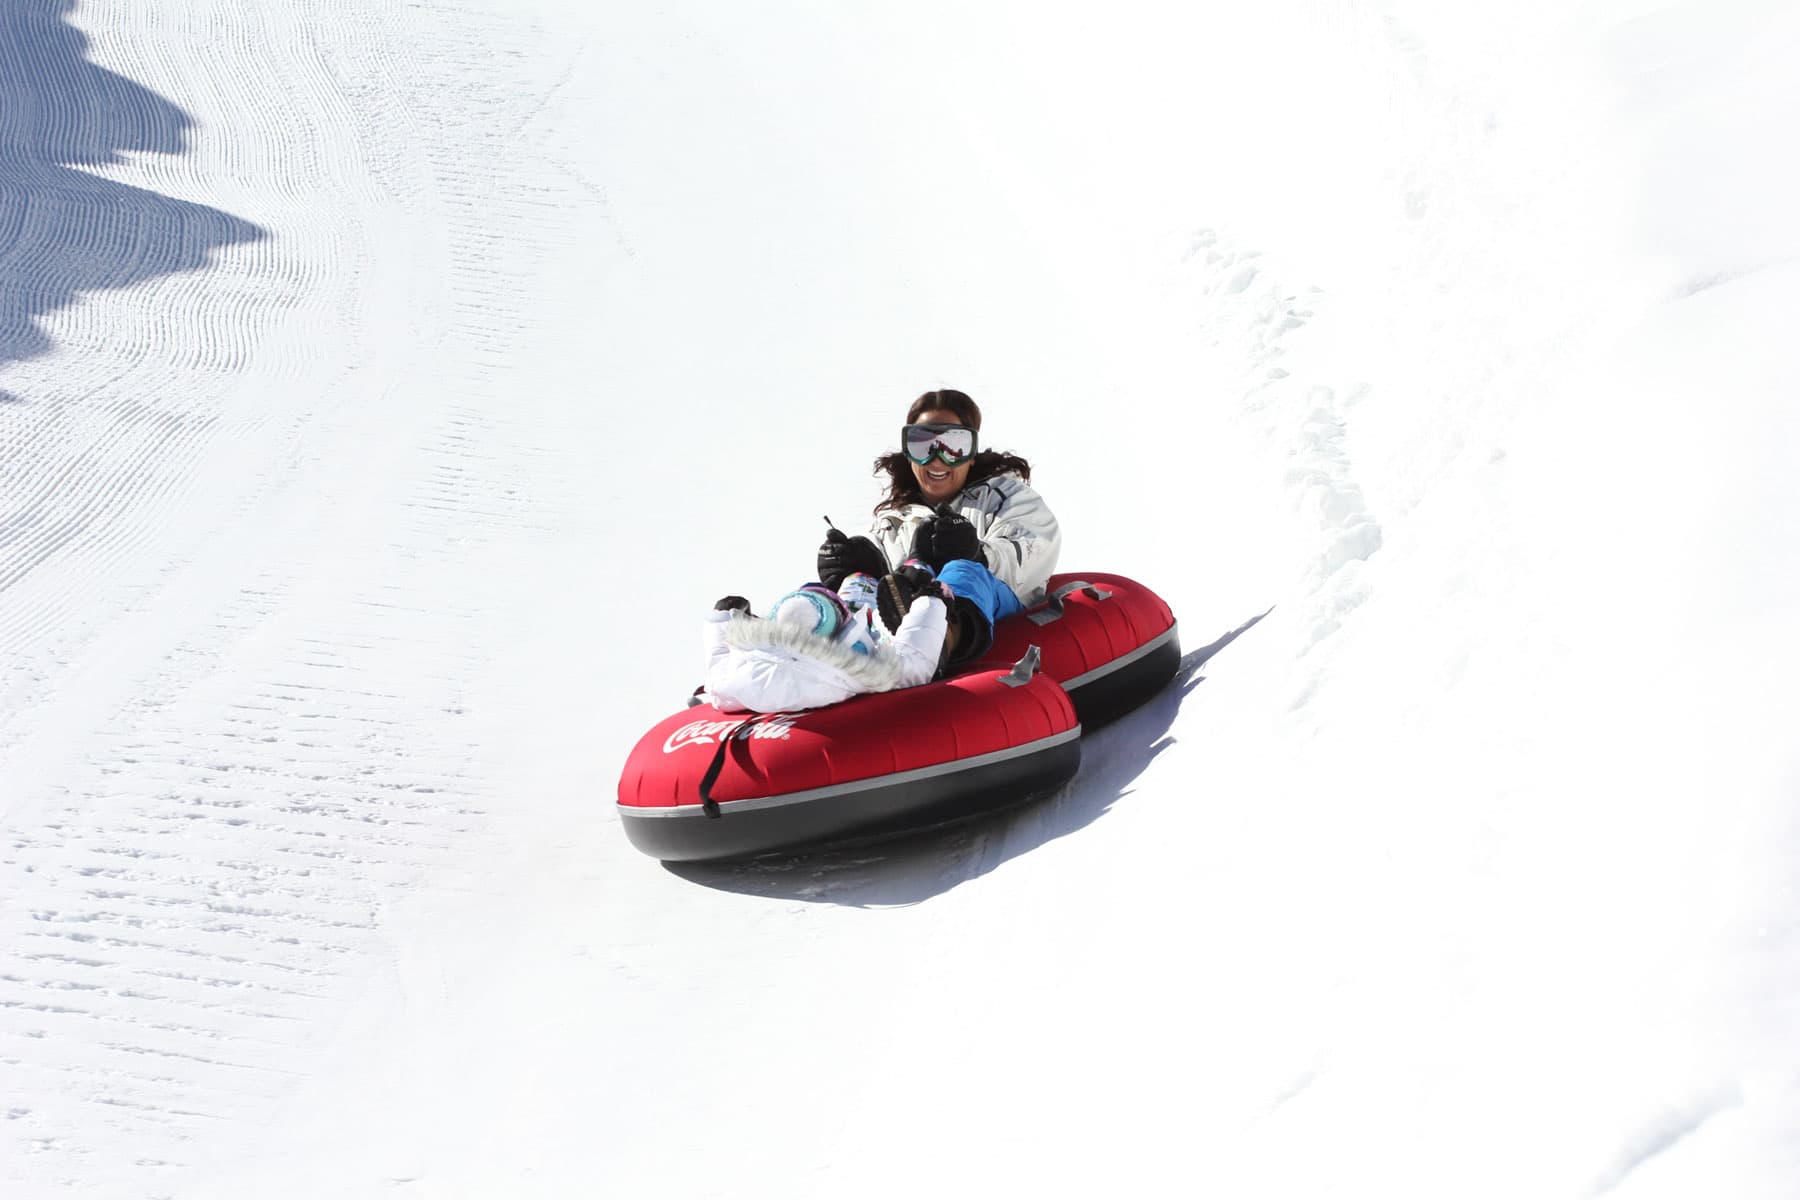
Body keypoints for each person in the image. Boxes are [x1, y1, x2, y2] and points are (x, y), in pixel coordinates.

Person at [816, 388, 1060, 664]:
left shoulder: (1005, 496)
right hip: (897, 633)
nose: (936, 458)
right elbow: (887, 593)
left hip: (997, 615)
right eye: (922, 445)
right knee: (842, 584)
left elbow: (1033, 549)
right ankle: (804, 634)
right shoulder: (894, 523)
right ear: (909, 455)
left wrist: (978, 554)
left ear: (971, 454)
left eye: (953, 446)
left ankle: (938, 642)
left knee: (963, 571)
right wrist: (852, 567)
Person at [701, 566, 952, 714]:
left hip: (765, 663)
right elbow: (915, 664)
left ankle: (854, 576)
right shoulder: (851, 670)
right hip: (855, 663)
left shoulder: (740, 674)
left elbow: (717, 668)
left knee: (844, 583)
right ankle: (873, 577)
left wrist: (722, 617)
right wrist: (931, 600)